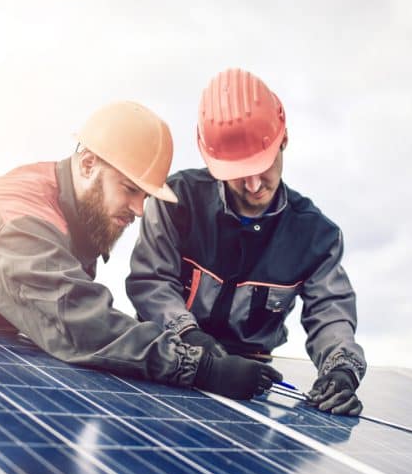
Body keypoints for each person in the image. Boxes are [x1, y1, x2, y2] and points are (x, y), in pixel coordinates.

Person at [0, 100, 280, 400]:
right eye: (130, 189)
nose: (138, 209)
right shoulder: (22, 223)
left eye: (146, 196)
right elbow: (77, 320)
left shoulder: (77, 212)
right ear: (88, 164)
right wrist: (198, 367)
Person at [127, 70, 366, 415]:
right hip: (165, 366)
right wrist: (190, 340)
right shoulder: (176, 202)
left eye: (263, 165)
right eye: (238, 173)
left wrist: (341, 370)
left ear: (283, 140)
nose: (253, 185)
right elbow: (151, 282)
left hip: (249, 385)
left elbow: (331, 314)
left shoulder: (316, 238)